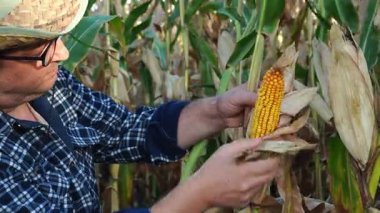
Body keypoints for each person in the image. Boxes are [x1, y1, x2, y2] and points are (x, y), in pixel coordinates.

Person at [0, 0, 279, 212]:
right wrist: (200, 193)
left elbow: (125, 129)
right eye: (43, 48)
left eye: (57, 38)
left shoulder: (53, 86)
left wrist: (216, 111)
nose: (63, 53)